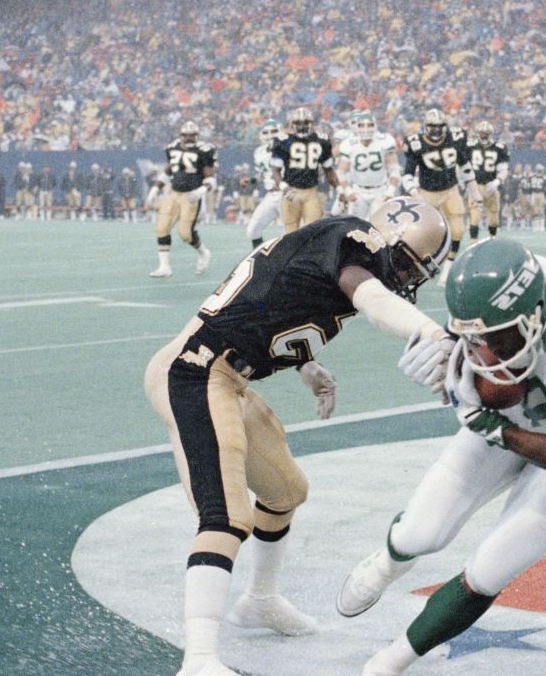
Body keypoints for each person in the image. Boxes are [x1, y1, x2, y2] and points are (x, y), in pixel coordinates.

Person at [145, 197, 455, 676]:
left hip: (227, 375)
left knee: (286, 490)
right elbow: (372, 300)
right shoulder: (354, 242)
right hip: (194, 372)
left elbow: (270, 302)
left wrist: (306, 365)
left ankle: (260, 600)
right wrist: (435, 336)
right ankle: (200, 659)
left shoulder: (328, 247)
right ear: (387, 243)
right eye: (409, 265)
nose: (407, 279)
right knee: (225, 516)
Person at [336, 238, 546, 676]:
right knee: (419, 533)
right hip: (521, 408)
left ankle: (392, 662)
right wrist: (443, 352)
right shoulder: (496, 288)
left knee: (490, 568)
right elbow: (471, 334)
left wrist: (496, 429)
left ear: (534, 315)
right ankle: (388, 563)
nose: (485, 348)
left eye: (493, 338)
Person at [402, 107, 480, 284]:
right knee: (422, 232)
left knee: (458, 230)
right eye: (432, 126)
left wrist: (474, 191)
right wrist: (415, 193)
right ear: (426, 126)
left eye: (439, 126)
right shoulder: (416, 143)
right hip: (427, 193)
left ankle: (448, 268)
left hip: (450, 190)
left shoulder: (455, 138)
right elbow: (407, 174)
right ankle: (419, 266)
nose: (436, 130)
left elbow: (465, 166)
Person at [150, 120, 215, 277]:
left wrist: (201, 191)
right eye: (185, 135)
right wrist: (155, 188)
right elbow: (169, 170)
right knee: (161, 227)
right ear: (181, 135)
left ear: (197, 136)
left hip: (191, 196)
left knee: (185, 234)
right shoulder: (173, 147)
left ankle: (203, 252)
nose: (188, 138)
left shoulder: (204, 150)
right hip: (174, 193)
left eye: (191, 135)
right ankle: (164, 267)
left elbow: (211, 178)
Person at [271, 107, 338, 233]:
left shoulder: (321, 140)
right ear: (292, 124)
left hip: (311, 192)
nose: (302, 126)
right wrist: (283, 186)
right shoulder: (283, 141)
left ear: (311, 123)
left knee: (313, 233)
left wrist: (340, 189)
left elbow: (328, 169)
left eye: (305, 123)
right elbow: (275, 170)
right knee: (290, 234)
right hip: (291, 192)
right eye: (298, 123)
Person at [334, 110, 400, 220]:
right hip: (358, 191)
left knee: (377, 224)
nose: (366, 129)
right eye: (362, 125)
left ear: (375, 126)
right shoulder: (349, 144)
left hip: (380, 190)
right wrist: (348, 190)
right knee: (355, 227)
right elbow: (341, 172)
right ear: (356, 127)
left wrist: (391, 190)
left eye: (369, 125)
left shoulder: (384, 141)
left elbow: (394, 169)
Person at [466, 120, 509, 243]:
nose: (483, 135)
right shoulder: (470, 146)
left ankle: (492, 239)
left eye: (486, 133)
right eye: (482, 133)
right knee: (475, 216)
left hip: (491, 185)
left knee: (494, 216)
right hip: (475, 185)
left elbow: (503, 169)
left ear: (490, 134)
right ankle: (473, 242)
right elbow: (464, 166)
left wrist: (496, 182)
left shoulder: (499, 147)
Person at [247, 120, 284, 248]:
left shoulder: (287, 146)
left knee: (295, 234)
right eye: (266, 132)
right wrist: (251, 181)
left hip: (287, 195)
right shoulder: (259, 152)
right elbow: (262, 174)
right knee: (253, 230)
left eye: (273, 131)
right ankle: (260, 261)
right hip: (271, 196)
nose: (269, 135)